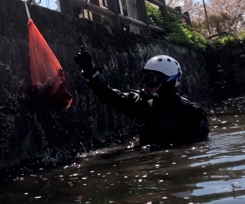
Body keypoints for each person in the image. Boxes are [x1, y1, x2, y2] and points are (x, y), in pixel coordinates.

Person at [73, 47, 209, 148]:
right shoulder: (139, 102)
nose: (147, 84)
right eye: (145, 78)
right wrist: (90, 71)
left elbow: (197, 148)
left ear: (169, 82)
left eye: (153, 79)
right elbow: (109, 96)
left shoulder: (191, 112)